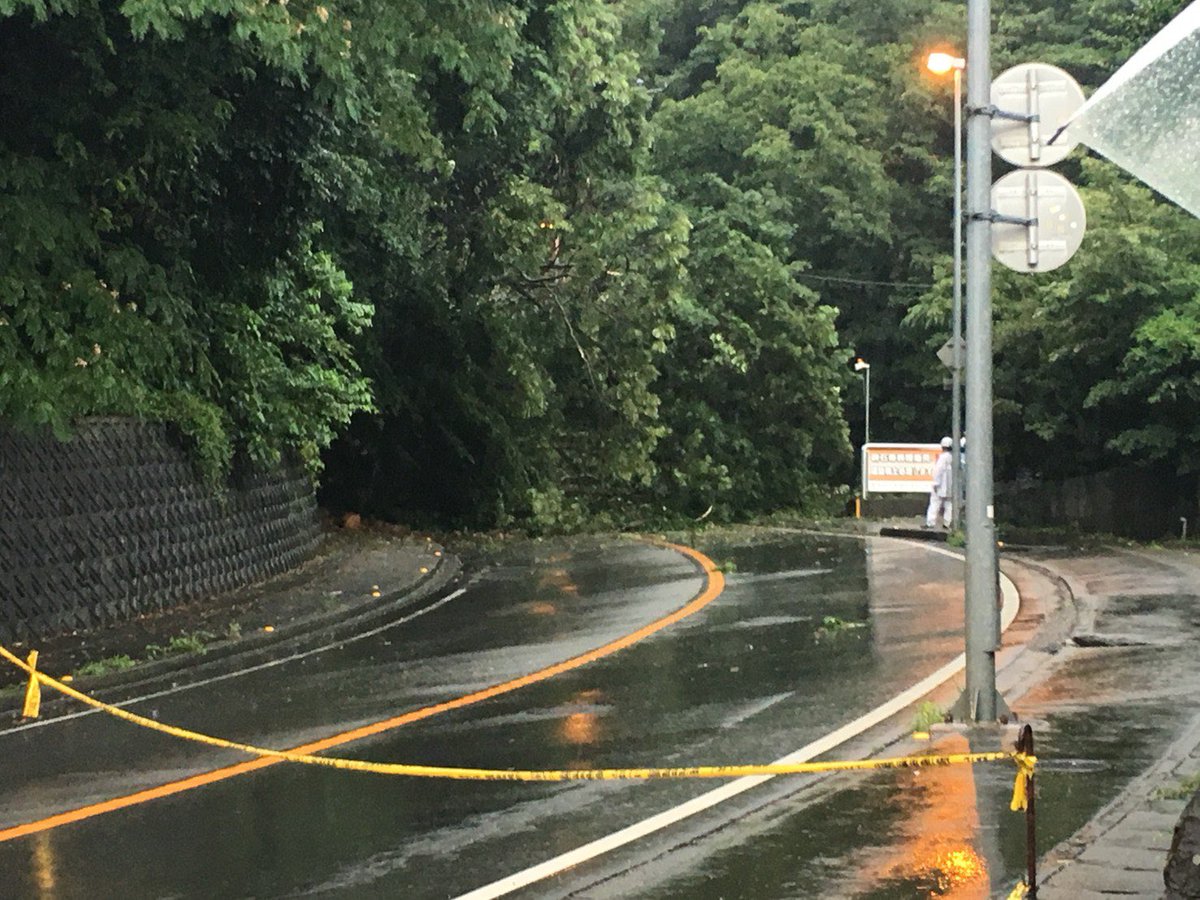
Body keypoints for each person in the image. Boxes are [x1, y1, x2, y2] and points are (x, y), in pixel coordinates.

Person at [926, 436, 953, 529]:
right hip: (951, 485)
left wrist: (935, 483)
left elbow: (938, 471)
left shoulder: (942, 457)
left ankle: (930, 522)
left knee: (934, 502)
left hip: (941, 485)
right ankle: (947, 523)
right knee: (949, 504)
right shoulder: (954, 457)